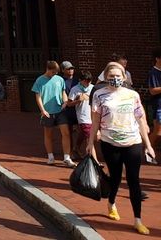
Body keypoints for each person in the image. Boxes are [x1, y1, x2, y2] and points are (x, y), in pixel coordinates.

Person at [88, 61, 155, 235]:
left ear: (124, 77)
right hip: (110, 143)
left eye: (118, 76)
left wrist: (148, 145)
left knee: (134, 180)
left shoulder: (132, 95)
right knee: (116, 177)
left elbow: (141, 120)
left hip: (132, 142)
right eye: (111, 76)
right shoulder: (99, 95)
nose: (115, 79)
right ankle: (111, 202)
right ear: (105, 78)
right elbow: (95, 121)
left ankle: (138, 220)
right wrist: (90, 142)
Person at [32, 60, 74, 166]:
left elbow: (63, 92)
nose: (54, 74)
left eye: (56, 72)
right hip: (48, 112)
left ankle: (67, 157)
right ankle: (50, 157)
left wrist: (65, 101)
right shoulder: (40, 80)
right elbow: (38, 97)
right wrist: (43, 110)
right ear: (48, 69)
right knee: (48, 134)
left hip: (60, 110)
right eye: (53, 72)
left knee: (66, 133)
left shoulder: (59, 79)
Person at [67, 70, 93, 160]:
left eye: (89, 81)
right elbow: (69, 104)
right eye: (85, 81)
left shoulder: (92, 88)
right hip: (83, 116)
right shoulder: (75, 89)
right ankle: (91, 159)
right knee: (89, 137)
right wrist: (78, 100)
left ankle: (76, 148)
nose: (87, 83)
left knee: (83, 133)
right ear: (80, 80)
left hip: (92, 115)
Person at [60, 61, 79, 156]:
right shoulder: (61, 81)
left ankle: (77, 148)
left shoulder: (77, 81)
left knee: (83, 131)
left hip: (78, 109)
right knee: (69, 132)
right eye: (68, 69)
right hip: (67, 110)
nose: (71, 70)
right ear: (63, 70)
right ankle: (71, 151)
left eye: (72, 68)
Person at [147, 47, 161, 150]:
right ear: (157, 58)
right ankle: (147, 149)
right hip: (159, 105)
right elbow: (152, 90)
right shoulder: (153, 73)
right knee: (158, 131)